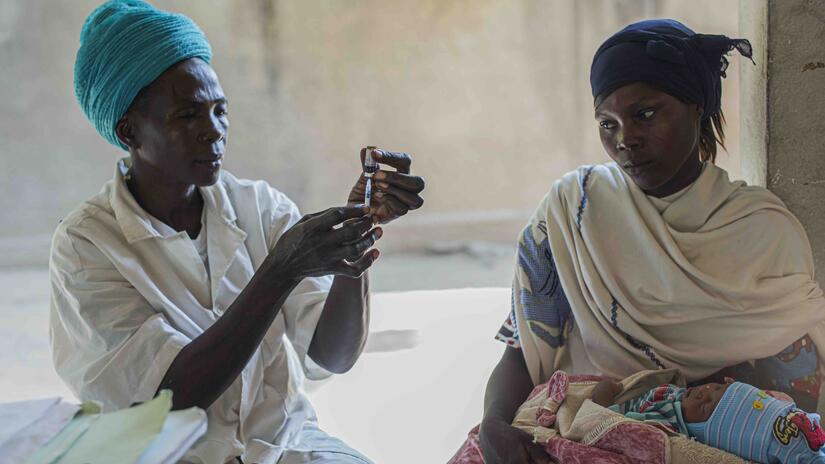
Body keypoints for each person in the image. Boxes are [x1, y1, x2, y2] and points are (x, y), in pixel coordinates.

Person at [49, 1, 424, 463]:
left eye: (220, 110)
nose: (215, 132)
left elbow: (333, 356)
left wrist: (356, 237)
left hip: (286, 448)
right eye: (188, 115)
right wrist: (280, 270)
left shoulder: (259, 207)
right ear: (130, 131)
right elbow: (170, 400)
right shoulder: (86, 246)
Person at [478, 19, 825, 464]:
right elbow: (520, 353)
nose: (626, 140)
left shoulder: (762, 232)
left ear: (695, 107)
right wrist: (494, 424)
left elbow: (793, 393)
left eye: (645, 114)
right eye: (608, 124)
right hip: (569, 436)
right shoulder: (570, 213)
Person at [592, 378, 825, 463]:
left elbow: (609, 423)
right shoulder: (682, 393)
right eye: (716, 387)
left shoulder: (668, 427)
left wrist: (604, 392)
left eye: (705, 407)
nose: (703, 393)